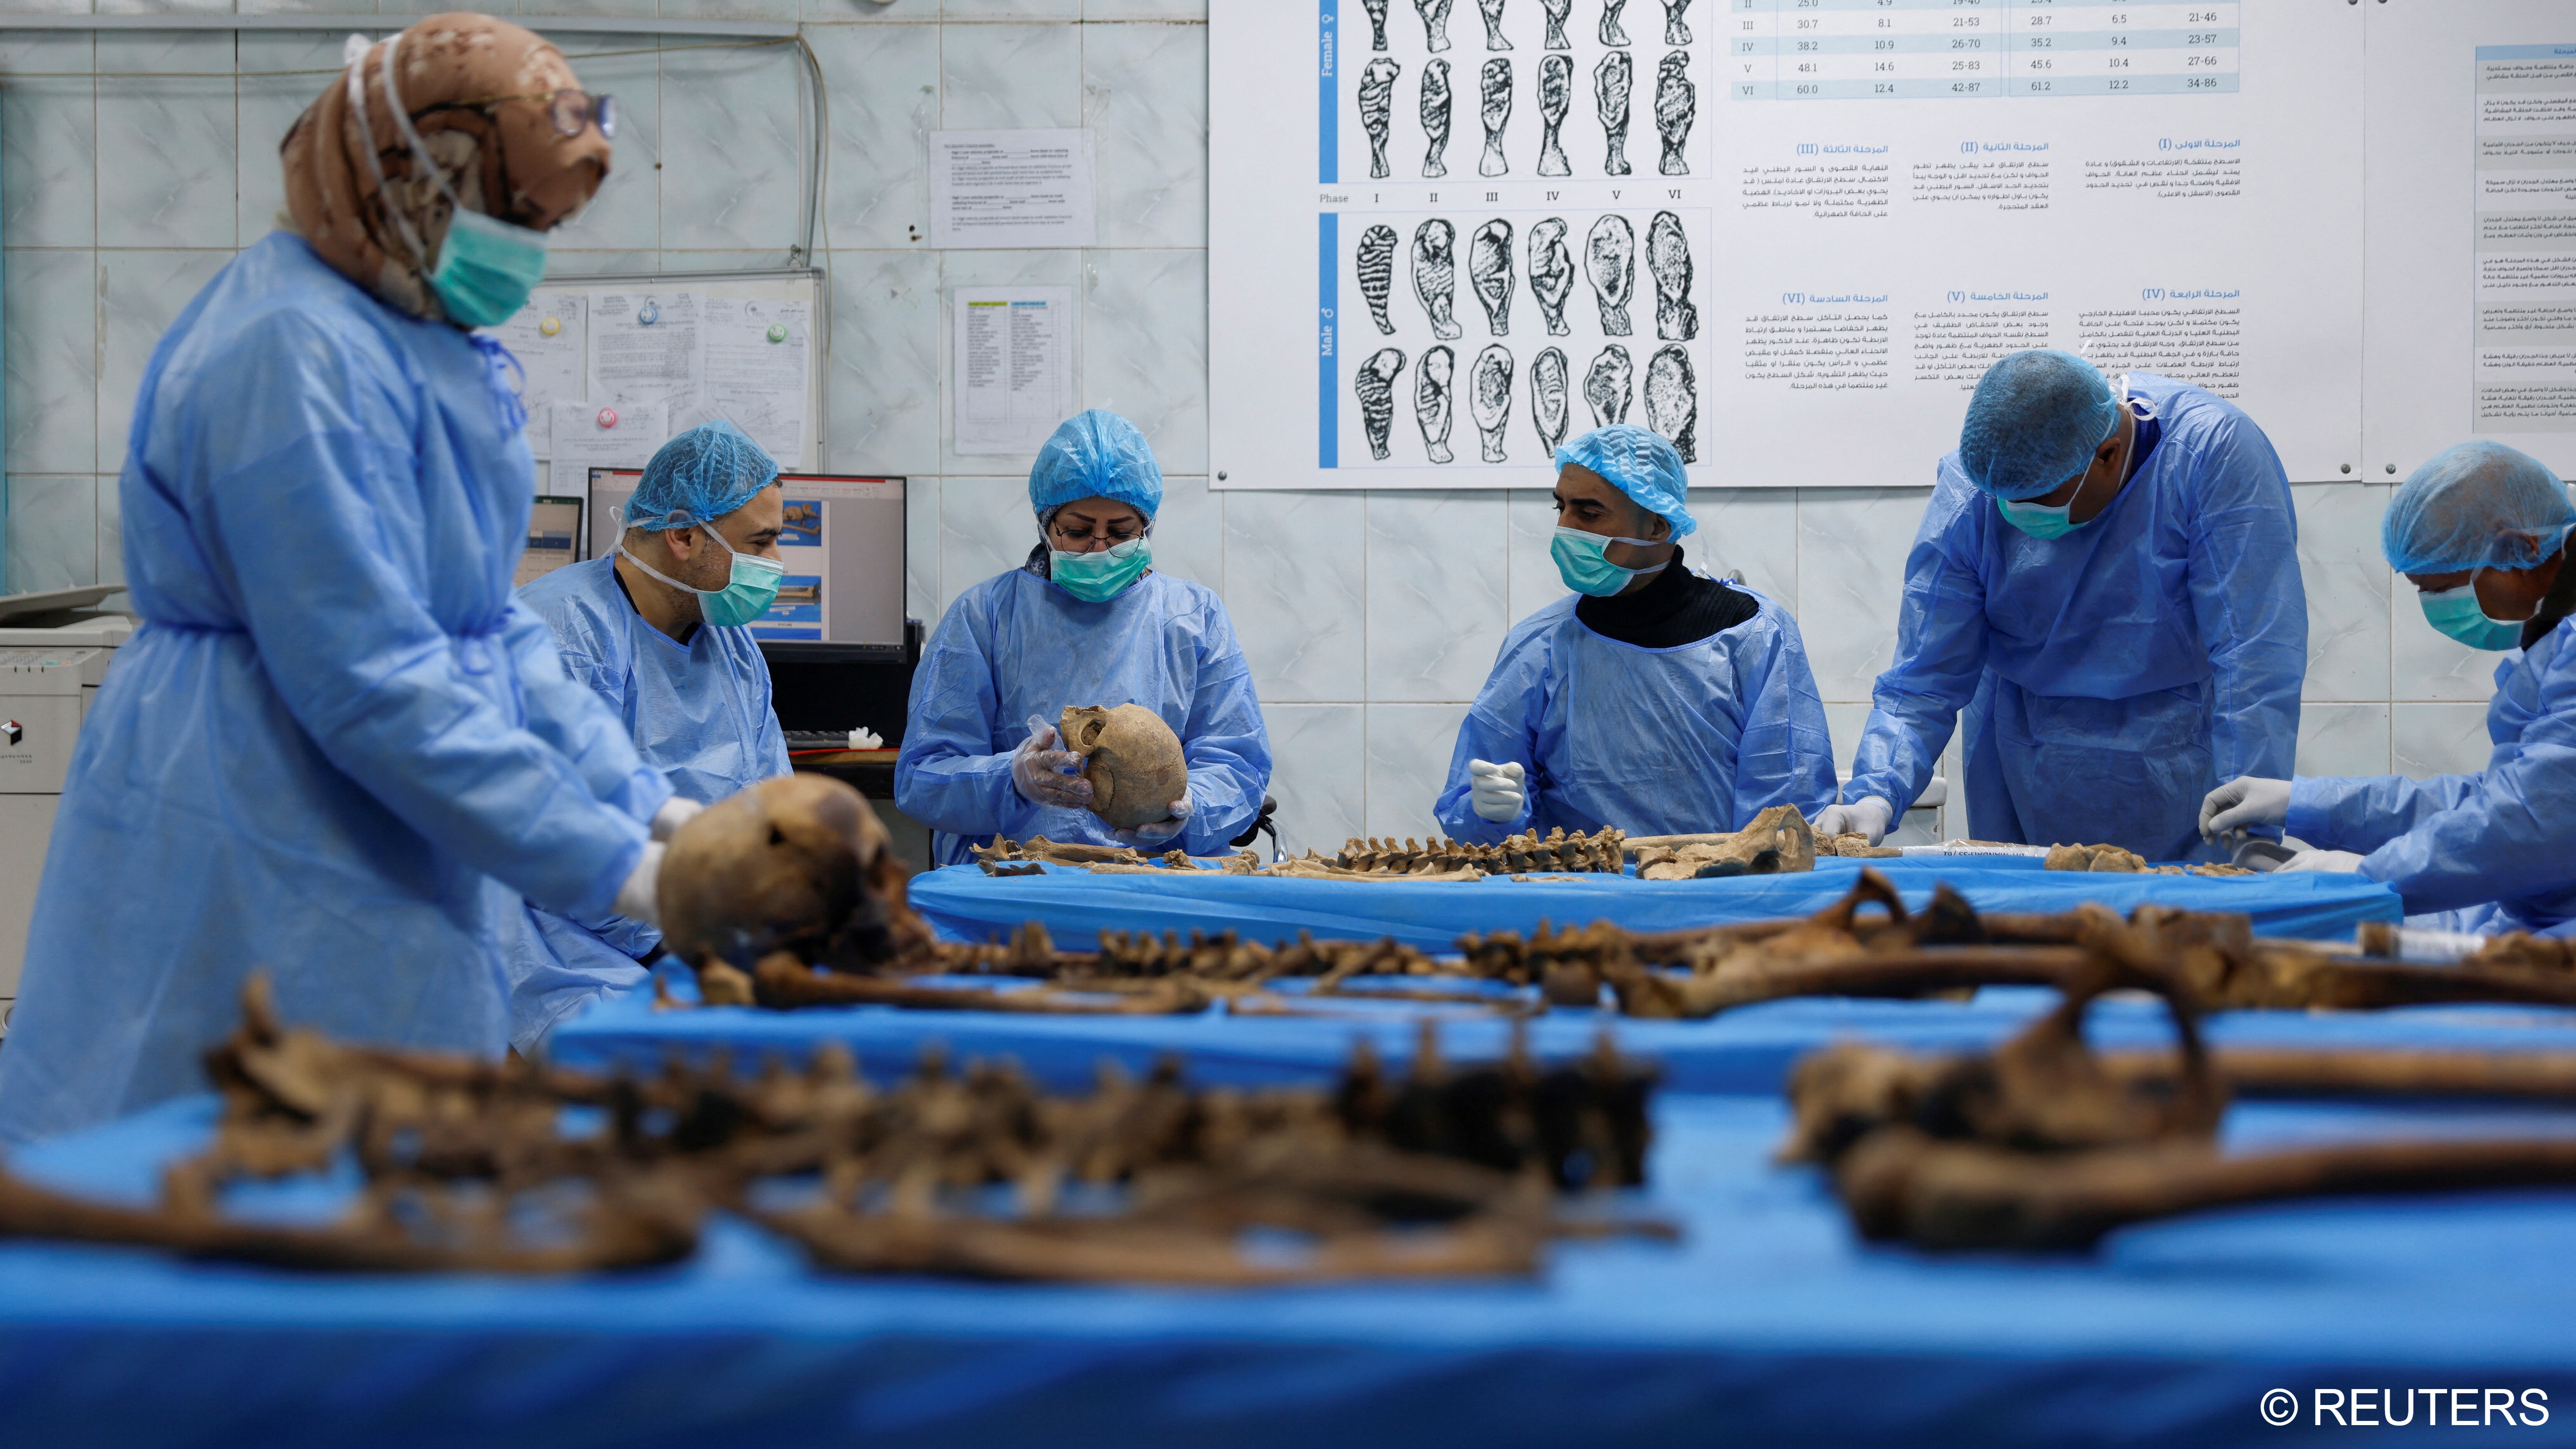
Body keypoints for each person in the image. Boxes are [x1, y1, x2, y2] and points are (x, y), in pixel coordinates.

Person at [0, 16, 691, 1144]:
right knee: (216, 1162)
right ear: (405, 180)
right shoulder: (287, 348)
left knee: (379, 1161)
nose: (525, 252)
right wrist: (632, 877)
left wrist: (655, 811)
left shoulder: (426, 340)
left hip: (376, 807)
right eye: (510, 218)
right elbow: (368, 676)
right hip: (252, 799)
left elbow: (487, 632)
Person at [1825, 350, 2306, 863]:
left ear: (2108, 455)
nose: (2014, 514)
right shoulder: (1978, 490)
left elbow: (2252, 660)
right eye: (2005, 500)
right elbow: (1924, 676)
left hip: (2181, 771)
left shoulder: (2209, 456)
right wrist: (1875, 796)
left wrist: (2249, 833)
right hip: (2022, 768)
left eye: (2040, 499)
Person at [2200, 440, 2576, 933]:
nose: (2435, 608)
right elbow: (2500, 800)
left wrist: (2369, 876)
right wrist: (2305, 801)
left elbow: (2535, 824)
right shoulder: (2555, 638)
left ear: (2521, 549)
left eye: (2441, 590)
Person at [501, 421, 793, 1051]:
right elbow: (560, 848)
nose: (775, 565)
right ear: (685, 536)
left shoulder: (732, 647)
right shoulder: (561, 636)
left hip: (695, 929)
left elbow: (773, 803)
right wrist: (687, 936)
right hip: (566, 950)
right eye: (761, 543)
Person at [895, 411, 1271, 865]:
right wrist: (1010, 779)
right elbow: (924, 776)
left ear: (1147, 527)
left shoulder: (1193, 617)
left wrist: (1194, 806)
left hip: (1158, 879)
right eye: (1076, 532)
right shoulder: (985, 617)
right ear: (1044, 524)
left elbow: (1237, 764)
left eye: (1120, 533)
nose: (1098, 548)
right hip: (1015, 881)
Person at [1433, 425, 1836, 841]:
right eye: (1562, 509)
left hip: (1715, 893)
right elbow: (1480, 797)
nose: (1566, 529)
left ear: (1658, 527)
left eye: (1589, 513)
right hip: (1582, 895)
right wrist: (1493, 814)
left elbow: (1786, 810)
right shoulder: (1541, 646)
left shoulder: (1753, 634)